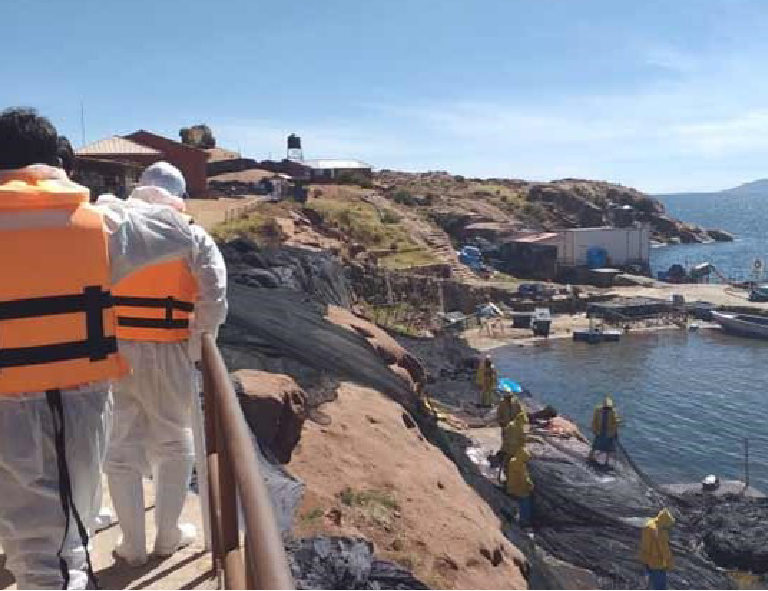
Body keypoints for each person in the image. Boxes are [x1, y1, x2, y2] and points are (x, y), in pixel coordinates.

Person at [0, 107, 200, 590]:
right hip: (71, 402)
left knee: (23, 528)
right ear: (56, 161)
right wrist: (109, 201)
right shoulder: (100, 224)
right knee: (58, 551)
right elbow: (179, 232)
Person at [103, 162, 228, 566]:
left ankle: (132, 545)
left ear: (140, 189)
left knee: (120, 449)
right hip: (170, 349)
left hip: (114, 348)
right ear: (179, 196)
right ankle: (167, 536)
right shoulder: (191, 234)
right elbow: (214, 298)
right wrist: (197, 343)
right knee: (174, 443)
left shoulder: (112, 228)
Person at [640, 508, 675, 590]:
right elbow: (664, 550)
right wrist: (670, 564)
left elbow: (645, 546)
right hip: (658, 565)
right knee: (660, 587)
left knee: (650, 586)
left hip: (648, 562)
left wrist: (645, 561)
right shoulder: (660, 531)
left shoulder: (649, 525)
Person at [506, 448, 534, 527]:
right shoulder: (521, 466)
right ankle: (524, 521)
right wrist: (530, 486)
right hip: (520, 489)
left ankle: (512, 515)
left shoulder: (512, 461)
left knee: (515, 502)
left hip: (511, 486)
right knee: (525, 504)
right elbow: (524, 479)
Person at [589, 395, 620, 465]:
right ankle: (590, 457)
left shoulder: (613, 412)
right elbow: (594, 421)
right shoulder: (598, 410)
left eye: (608, 408)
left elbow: (616, 422)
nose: (607, 409)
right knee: (595, 446)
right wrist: (594, 429)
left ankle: (606, 462)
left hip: (609, 433)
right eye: (606, 408)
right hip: (599, 431)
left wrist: (615, 429)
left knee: (608, 448)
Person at [499, 412, 527, 482]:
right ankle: (508, 481)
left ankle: (509, 480)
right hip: (511, 450)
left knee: (509, 465)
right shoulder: (513, 427)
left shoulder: (516, 426)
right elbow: (519, 438)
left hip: (512, 449)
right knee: (508, 465)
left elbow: (521, 437)